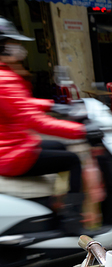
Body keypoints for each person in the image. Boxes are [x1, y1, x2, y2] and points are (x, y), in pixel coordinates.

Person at [0, 17, 98, 234]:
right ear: (3, 46)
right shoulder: (5, 78)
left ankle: (56, 201)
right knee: (73, 160)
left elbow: (18, 104)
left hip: (12, 146)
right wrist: (81, 130)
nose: (19, 48)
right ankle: (71, 218)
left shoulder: (5, 76)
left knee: (59, 148)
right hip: (13, 154)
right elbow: (32, 120)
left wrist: (53, 105)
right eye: (13, 43)